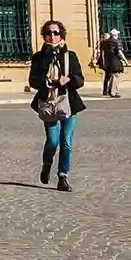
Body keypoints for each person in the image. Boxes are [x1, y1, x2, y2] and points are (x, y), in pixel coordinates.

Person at [29, 19, 86, 193]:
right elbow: (32, 80)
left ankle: (63, 176)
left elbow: (80, 79)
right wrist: (43, 82)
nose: (52, 36)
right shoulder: (39, 57)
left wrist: (68, 79)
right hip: (49, 104)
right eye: (48, 33)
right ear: (44, 35)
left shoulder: (70, 56)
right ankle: (47, 164)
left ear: (62, 34)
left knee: (66, 143)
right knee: (53, 141)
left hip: (68, 104)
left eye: (56, 33)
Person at [96, 30, 125, 98]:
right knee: (115, 76)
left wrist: (103, 62)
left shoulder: (104, 42)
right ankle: (113, 92)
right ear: (115, 35)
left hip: (107, 62)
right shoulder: (116, 42)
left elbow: (102, 53)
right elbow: (119, 52)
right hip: (114, 61)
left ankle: (107, 91)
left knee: (108, 76)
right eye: (117, 35)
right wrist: (125, 60)